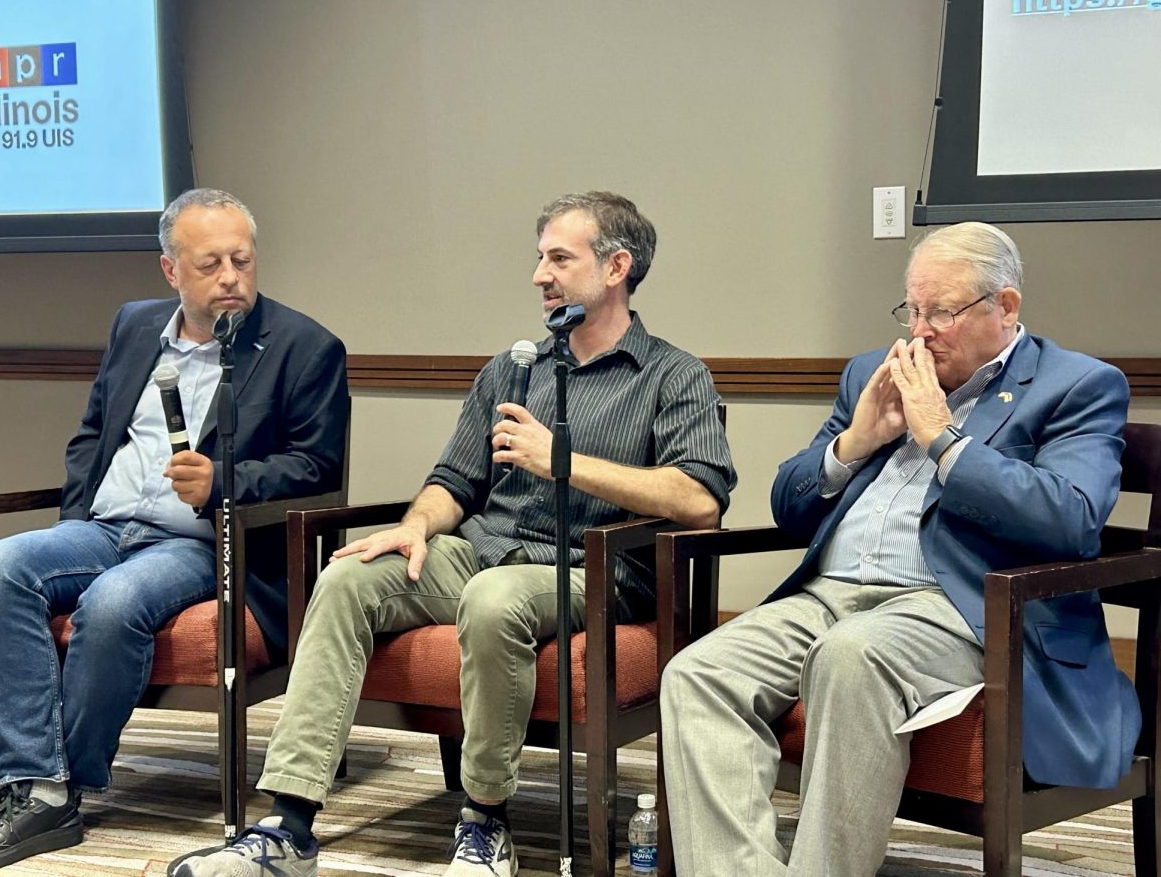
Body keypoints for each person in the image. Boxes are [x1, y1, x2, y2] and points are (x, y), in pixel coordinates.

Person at [171, 191, 736, 877]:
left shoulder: (673, 375)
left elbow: (700, 499)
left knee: (493, 601)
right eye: (539, 258)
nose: (540, 275)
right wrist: (412, 528)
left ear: (617, 267)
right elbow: (454, 480)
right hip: (483, 550)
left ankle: (484, 820)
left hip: (595, 567)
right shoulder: (513, 368)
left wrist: (562, 463)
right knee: (349, 576)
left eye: (559, 258)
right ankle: (290, 827)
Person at [661, 221, 1140, 876]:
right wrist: (853, 441)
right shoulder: (872, 373)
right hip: (830, 594)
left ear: (1005, 307)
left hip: (958, 605)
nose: (920, 331)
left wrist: (944, 440)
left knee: (851, 657)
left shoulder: (1076, 386)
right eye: (912, 309)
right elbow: (789, 506)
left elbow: (1073, 521)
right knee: (699, 673)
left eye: (941, 311)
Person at [0, 188, 350, 873]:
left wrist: (223, 483)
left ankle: (53, 793)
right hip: (105, 526)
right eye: (210, 264)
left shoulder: (304, 347)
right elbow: (92, 435)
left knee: (112, 603)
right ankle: (22, 777)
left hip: (205, 544)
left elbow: (316, 467)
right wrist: (77, 518)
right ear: (171, 270)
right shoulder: (134, 325)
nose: (231, 278)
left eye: (242, 260)